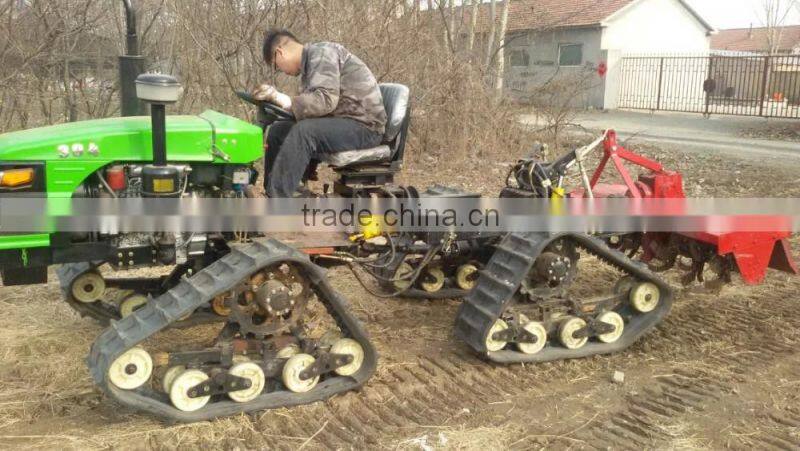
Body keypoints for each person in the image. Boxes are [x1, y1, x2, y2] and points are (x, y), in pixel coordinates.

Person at [254, 29, 387, 197]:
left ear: (279, 53)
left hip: (365, 127)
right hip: (345, 122)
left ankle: (278, 201)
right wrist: (283, 104)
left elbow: (325, 100)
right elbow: (313, 108)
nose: (281, 70)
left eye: (276, 67)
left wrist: (284, 99)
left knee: (305, 131)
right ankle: (274, 191)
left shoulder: (322, 54)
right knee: (278, 130)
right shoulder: (310, 67)